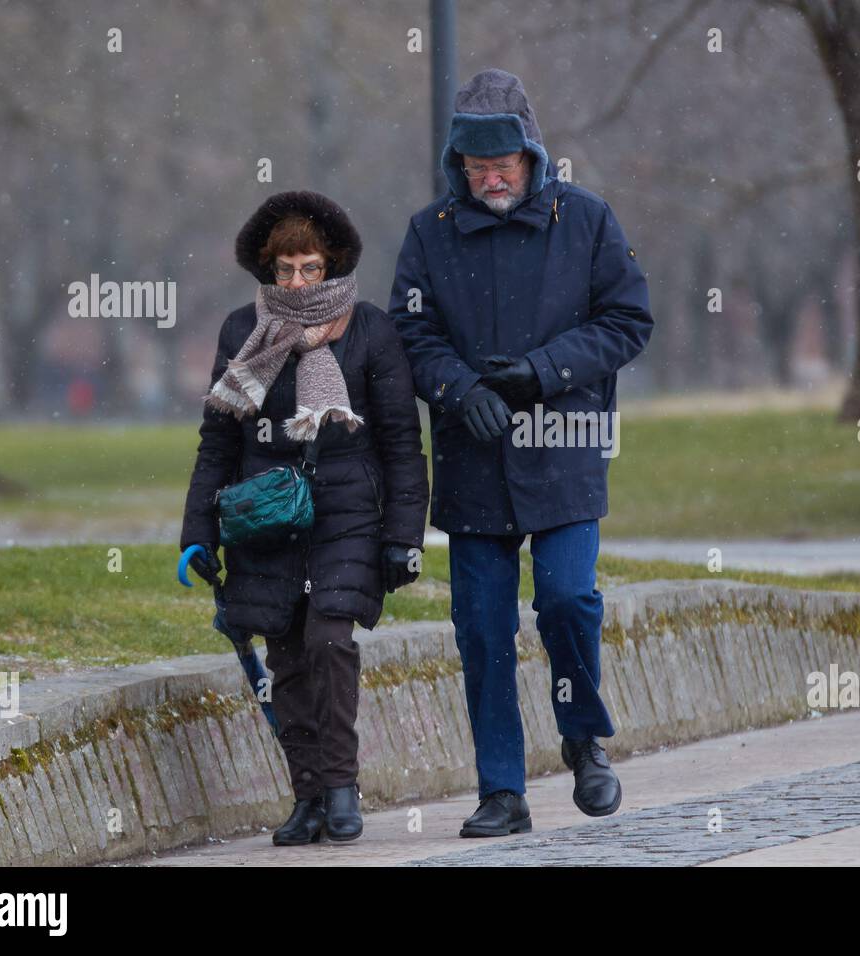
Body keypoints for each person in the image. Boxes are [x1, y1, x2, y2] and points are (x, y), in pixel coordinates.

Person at [389, 68, 654, 837]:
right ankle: (501, 789)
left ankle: (584, 741)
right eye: (476, 169)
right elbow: (412, 330)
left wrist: (544, 371)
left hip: (563, 446)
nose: (491, 180)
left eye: (503, 167)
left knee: (569, 600)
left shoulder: (589, 221)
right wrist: (455, 388)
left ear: (533, 157)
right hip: (474, 456)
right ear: (458, 167)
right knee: (481, 625)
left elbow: (627, 321)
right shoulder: (429, 231)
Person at [180, 191, 429, 846]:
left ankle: (342, 785)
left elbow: (403, 443)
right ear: (269, 268)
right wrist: (197, 534)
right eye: (285, 269)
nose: (295, 282)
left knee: (328, 642)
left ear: (332, 266)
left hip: (348, 513)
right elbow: (219, 442)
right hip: (265, 517)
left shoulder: (370, 330)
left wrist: (405, 536)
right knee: (283, 656)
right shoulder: (242, 331)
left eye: (309, 268)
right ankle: (309, 795)